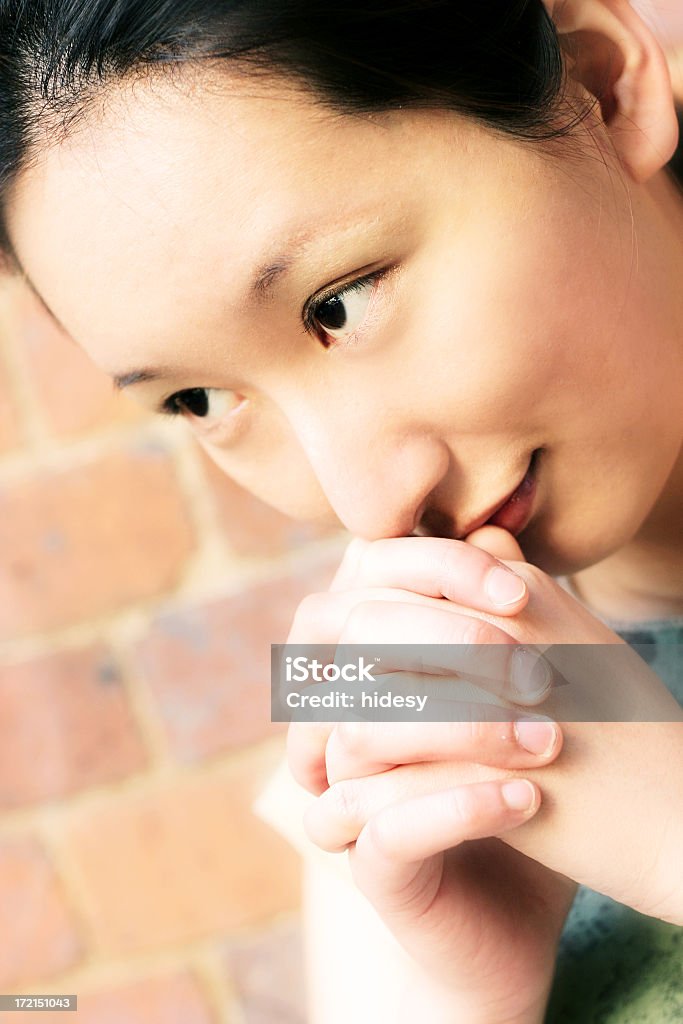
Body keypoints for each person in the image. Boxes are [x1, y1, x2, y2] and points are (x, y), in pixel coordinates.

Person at [0, 1, 681, 1020]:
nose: (364, 499)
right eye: (202, 400)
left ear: (599, 85)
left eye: (339, 303)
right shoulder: (398, 719)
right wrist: (454, 991)